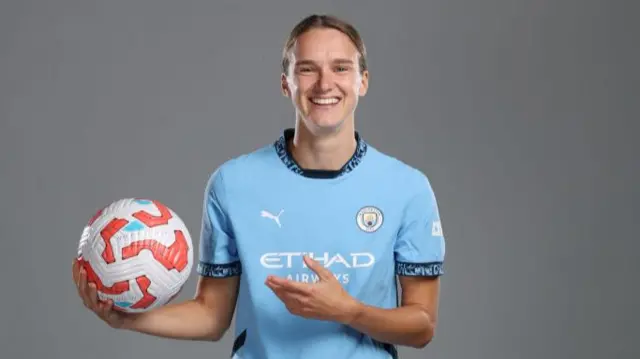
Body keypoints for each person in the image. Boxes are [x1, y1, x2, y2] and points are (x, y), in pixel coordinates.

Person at [72, 14, 446, 359]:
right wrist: (127, 320)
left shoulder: (407, 188)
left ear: (362, 81)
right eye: (307, 69)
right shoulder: (232, 183)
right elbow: (212, 316)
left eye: (341, 68)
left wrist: (348, 311)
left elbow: (422, 327)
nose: (324, 83)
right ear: (286, 83)